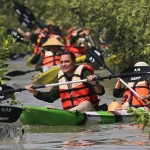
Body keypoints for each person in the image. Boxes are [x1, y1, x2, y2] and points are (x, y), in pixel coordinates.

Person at [25, 51, 105, 111]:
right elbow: (50, 97)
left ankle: (67, 114)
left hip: (89, 111)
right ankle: (66, 115)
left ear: (74, 62)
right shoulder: (60, 77)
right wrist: (35, 92)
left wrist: (95, 83)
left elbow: (101, 92)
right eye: (62, 62)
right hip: (71, 113)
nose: (63, 65)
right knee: (48, 107)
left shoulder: (83, 73)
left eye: (67, 61)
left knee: (86, 103)